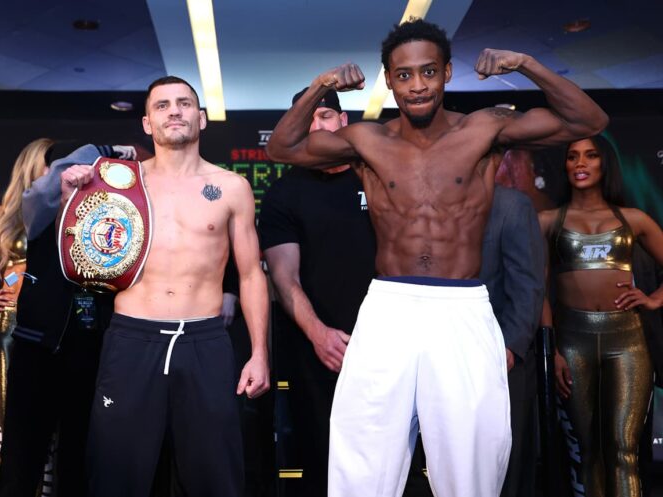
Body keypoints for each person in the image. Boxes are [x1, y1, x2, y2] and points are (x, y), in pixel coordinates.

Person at [266, 18, 608, 497]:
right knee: (363, 455)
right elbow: (283, 146)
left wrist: (527, 65)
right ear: (389, 80)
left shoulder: (486, 129)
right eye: (403, 75)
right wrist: (322, 84)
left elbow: (587, 122)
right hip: (390, 305)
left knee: (470, 464)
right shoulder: (368, 140)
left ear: (447, 72)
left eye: (428, 72)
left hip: (462, 306)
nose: (417, 85)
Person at [62, 76, 269, 496]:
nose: (174, 111)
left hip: (204, 340)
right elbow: (78, 261)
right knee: (115, 477)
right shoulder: (117, 183)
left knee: (216, 478)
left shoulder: (232, 187)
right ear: (146, 123)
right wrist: (71, 197)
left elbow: (250, 274)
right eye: (162, 105)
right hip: (132, 339)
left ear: (202, 118)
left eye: (184, 103)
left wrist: (260, 353)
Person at [0, 141, 133, 497]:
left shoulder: (108, 215)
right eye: (57, 167)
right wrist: (104, 149)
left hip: (90, 346)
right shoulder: (37, 208)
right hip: (35, 343)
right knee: (21, 456)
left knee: (79, 457)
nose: (70, 172)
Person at [259, 88, 376, 497]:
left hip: (388, 344)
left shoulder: (377, 175)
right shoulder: (283, 194)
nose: (315, 126)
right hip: (318, 349)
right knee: (322, 464)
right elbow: (283, 276)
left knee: (392, 462)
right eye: (305, 117)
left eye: (324, 115)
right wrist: (319, 334)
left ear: (343, 123)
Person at [539, 135, 663, 497]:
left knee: (624, 452)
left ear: (604, 163)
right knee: (586, 452)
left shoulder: (634, 219)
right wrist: (553, 352)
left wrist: (654, 299)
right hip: (572, 342)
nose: (581, 163)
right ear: (563, 165)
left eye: (590, 155)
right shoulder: (547, 220)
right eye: (572, 156)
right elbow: (536, 289)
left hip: (628, 341)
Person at [0, 138, 53, 497]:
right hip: (12, 329)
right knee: (9, 429)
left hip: (57, 326)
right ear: (34, 166)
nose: (58, 170)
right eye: (52, 163)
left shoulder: (71, 211)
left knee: (54, 433)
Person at [479, 184, 544, 497]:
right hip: (446, 355)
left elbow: (527, 282)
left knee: (506, 468)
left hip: (502, 358)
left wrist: (510, 347)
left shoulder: (511, 205)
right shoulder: (433, 199)